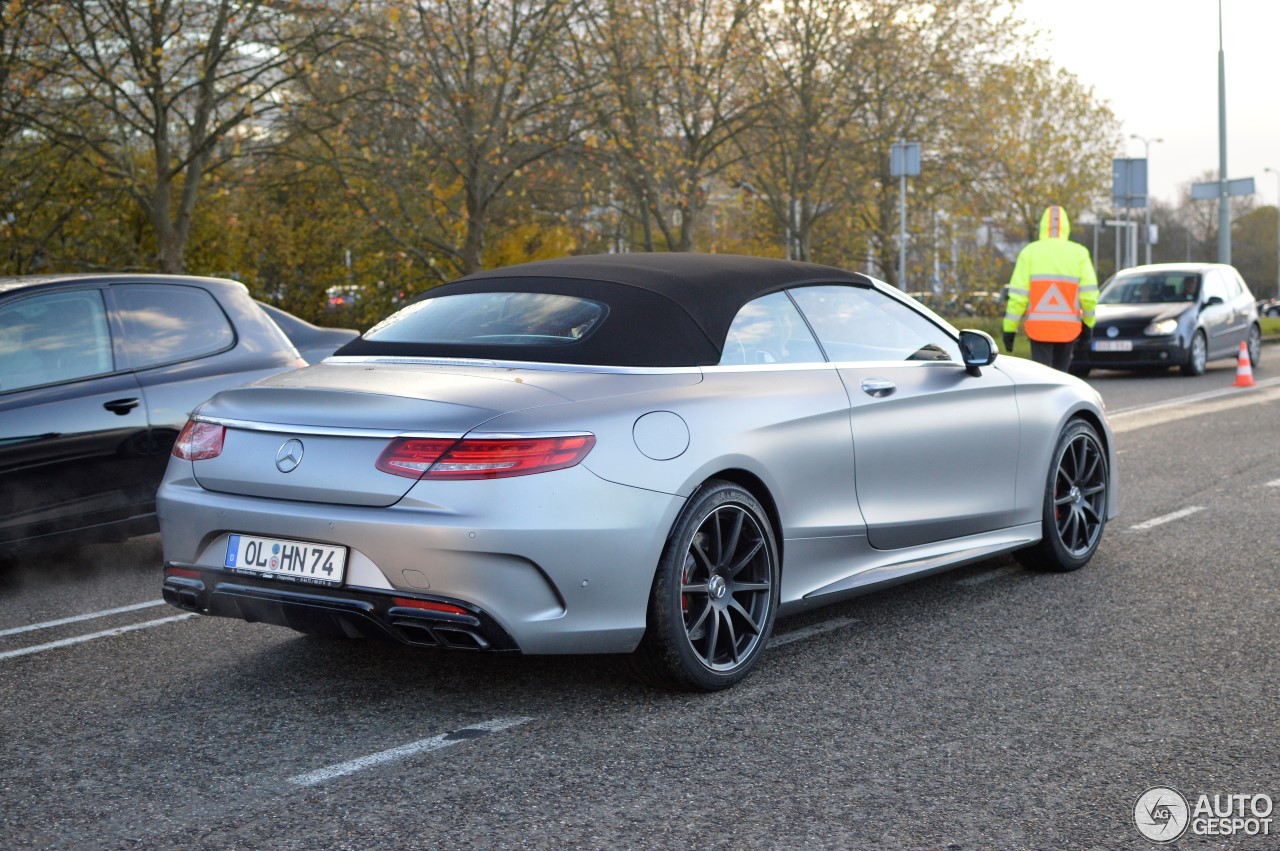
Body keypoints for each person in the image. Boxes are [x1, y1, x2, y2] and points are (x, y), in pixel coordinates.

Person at [1001, 205, 1098, 372]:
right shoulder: (1079, 253)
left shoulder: (1029, 253)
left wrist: (1009, 329)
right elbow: (1089, 295)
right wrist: (1088, 324)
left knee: (1042, 378)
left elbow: (1018, 296)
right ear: (1066, 226)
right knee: (1062, 379)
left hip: (1039, 329)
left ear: (1042, 226)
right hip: (1068, 329)